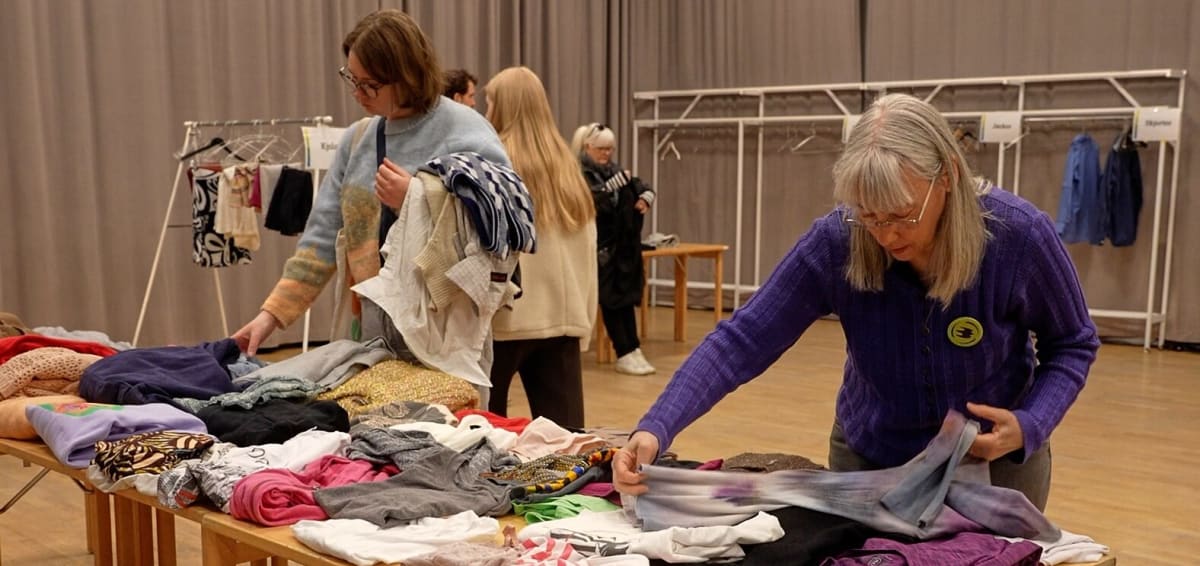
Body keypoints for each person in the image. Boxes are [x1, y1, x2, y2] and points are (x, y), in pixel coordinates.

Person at [612, 94, 1099, 512]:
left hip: (998, 466)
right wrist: (658, 426)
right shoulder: (836, 241)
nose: (886, 235)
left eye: (903, 216)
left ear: (947, 176)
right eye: (869, 215)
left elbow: (1074, 341)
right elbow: (744, 339)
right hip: (871, 462)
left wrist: (1031, 423)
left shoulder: (1018, 236)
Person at [232, 9, 509, 355]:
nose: (358, 94)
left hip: (448, 341)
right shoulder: (358, 139)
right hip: (370, 337)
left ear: (407, 75)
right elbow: (321, 235)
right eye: (352, 79)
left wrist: (416, 197)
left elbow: (505, 227)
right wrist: (270, 316)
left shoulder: (466, 130)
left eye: (370, 85)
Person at [482, 67, 598, 428]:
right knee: (566, 443)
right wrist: (584, 323)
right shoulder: (569, 169)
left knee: (485, 437)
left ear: (503, 107)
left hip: (505, 322)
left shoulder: (494, 164)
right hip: (563, 322)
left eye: (489, 103)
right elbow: (588, 253)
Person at [572, 123, 656, 376]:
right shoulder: (578, 172)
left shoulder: (615, 170)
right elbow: (587, 200)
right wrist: (612, 186)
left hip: (621, 249)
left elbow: (640, 185)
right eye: (602, 149)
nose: (607, 154)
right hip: (599, 250)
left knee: (625, 300)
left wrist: (645, 196)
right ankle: (624, 351)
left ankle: (633, 348)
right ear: (588, 147)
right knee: (611, 301)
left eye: (611, 149)